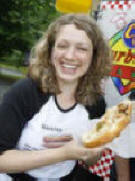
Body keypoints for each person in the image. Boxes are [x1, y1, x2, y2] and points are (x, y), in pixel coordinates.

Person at [0, 14, 111, 181]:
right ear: (50, 51)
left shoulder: (95, 102)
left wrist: (89, 151)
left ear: (94, 57)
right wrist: (63, 153)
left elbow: (91, 160)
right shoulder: (25, 92)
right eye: (62, 46)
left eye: (81, 48)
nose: (70, 56)